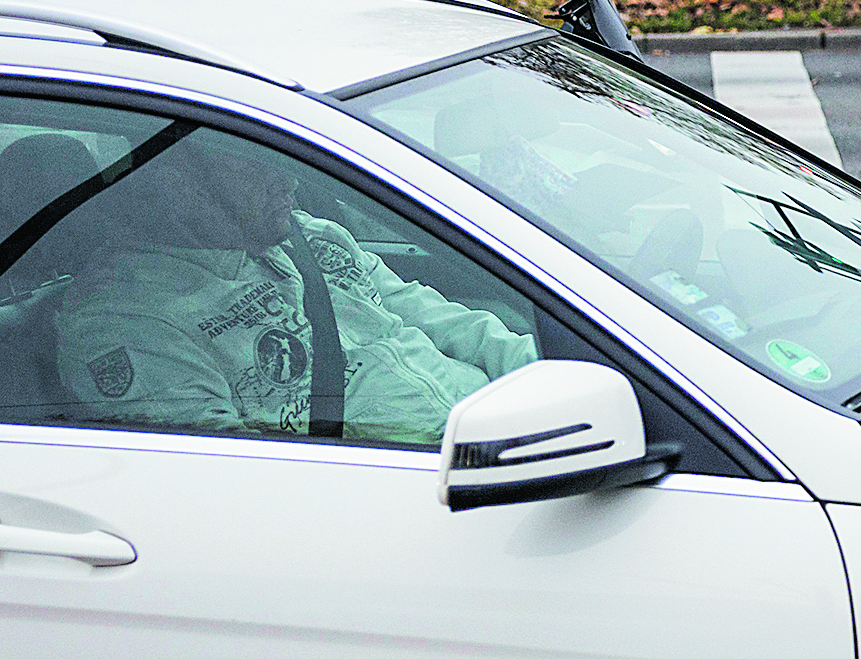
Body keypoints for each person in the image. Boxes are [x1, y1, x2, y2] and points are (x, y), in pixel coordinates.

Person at [50, 136, 536, 445]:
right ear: (179, 181)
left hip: (505, 431)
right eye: (255, 166)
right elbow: (225, 476)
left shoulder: (312, 237)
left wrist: (567, 370)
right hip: (410, 487)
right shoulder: (125, 322)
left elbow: (458, 327)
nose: (289, 179)